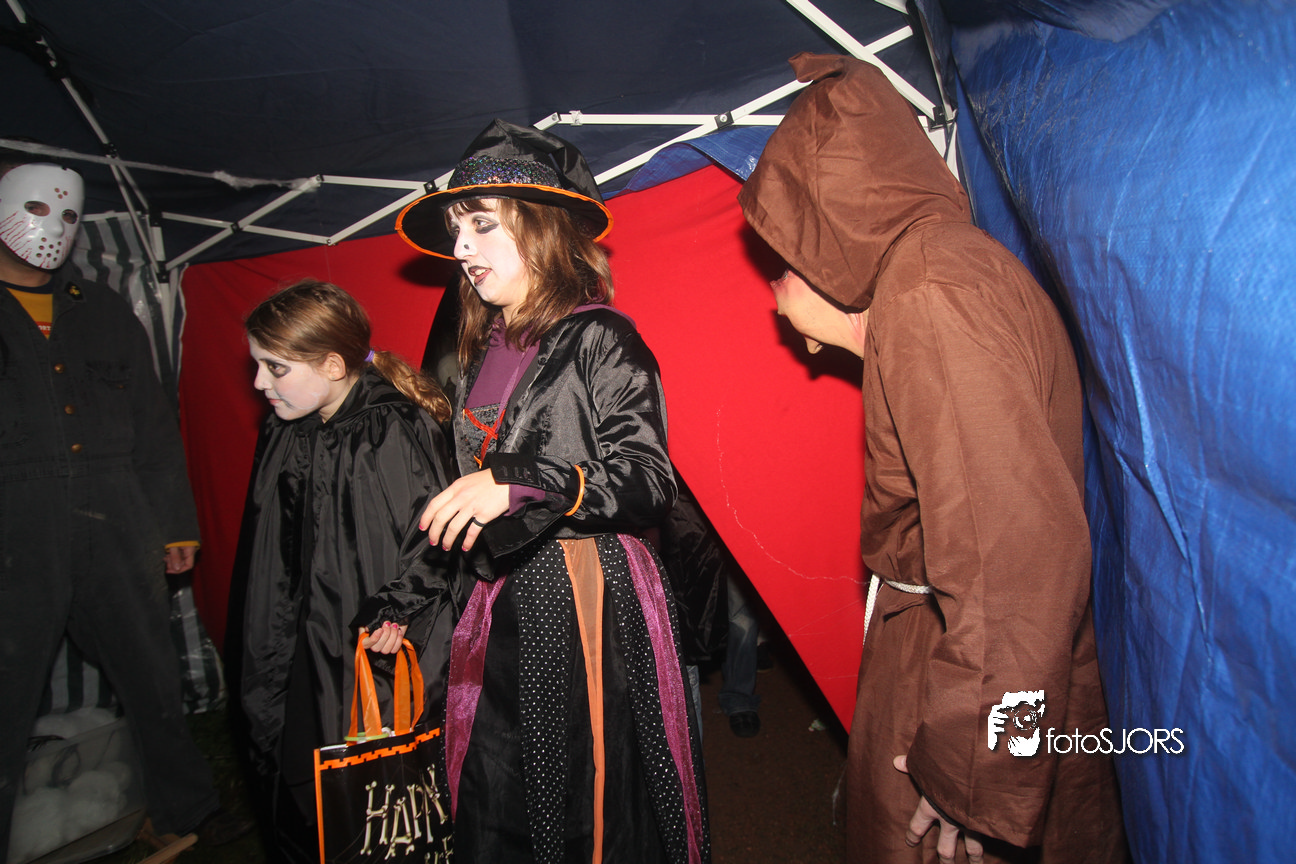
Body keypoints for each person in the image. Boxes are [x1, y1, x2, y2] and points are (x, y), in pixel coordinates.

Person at [737, 55, 1128, 863]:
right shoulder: (946, 270)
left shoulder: (929, 293)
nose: (777, 280)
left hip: (962, 674)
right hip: (967, 659)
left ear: (833, 221)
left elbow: (1013, 556)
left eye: (787, 251)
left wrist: (973, 775)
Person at [396, 118, 709, 864]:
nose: (461, 248)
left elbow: (649, 481)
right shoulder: (479, 349)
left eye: (480, 225)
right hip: (496, 600)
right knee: (496, 791)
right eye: (456, 230)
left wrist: (528, 483)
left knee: (582, 798)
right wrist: (406, 596)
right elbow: (468, 497)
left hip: (585, 598)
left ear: (540, 228)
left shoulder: (601, 337)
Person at [0, 152, 250, 851]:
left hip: (116, 514)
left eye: (68, 213)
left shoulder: (103, 310)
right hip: (17, 523)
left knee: (151, 675)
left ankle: (186, 810)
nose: (53, 226)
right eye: (36, 207)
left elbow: (152, 423)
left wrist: (174, 524)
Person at [233, 279, 463, 862]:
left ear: (333, 365)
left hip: (364, 652)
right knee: (301, 787)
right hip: (299, 646)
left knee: (369, 802)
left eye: (275, 368)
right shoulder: (288, 425)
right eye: (258, 364)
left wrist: (400, 605)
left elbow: (437, 537)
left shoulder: (392, 427)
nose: (259, 383)